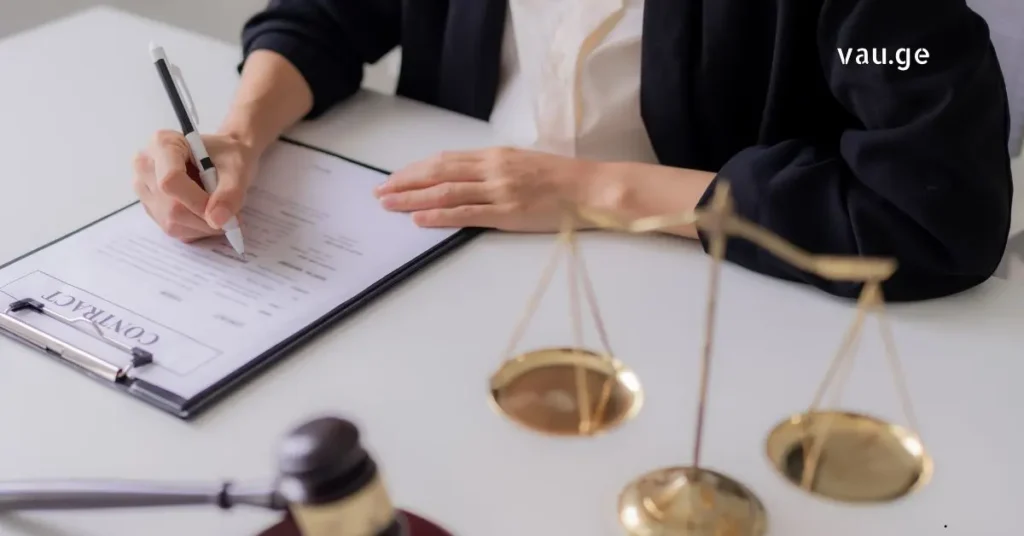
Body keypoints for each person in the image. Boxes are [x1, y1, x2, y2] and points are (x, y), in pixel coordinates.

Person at [132, 0, 1014, 302]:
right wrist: (239, 133)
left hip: (716, 302)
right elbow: (327, 16)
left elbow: (936, 213)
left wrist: (599, 189)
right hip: (449, 269)